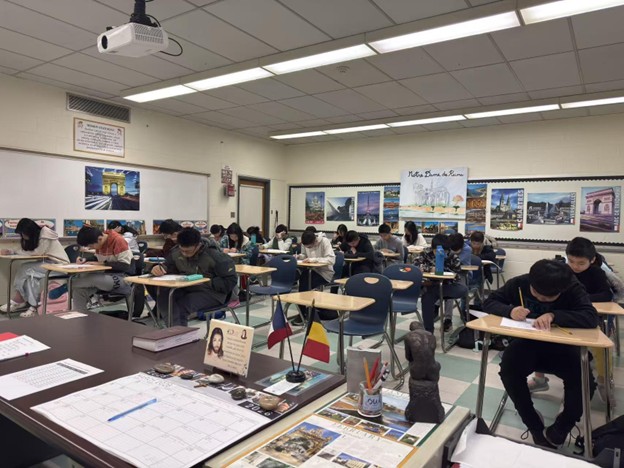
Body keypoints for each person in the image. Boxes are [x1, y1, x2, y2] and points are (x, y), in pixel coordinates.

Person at [483, 259, 599, 448]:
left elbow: (591, 317)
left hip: (564, 347)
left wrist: (554, 315)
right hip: (527, 344)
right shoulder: (519, 283)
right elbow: (489, 302)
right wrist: (510, 310)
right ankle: (533, 423)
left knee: (584, 380)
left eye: (548, 298)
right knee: (509, 369)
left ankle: (563, 426)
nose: (541, 300)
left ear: (562, 290)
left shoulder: (572, 287)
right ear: (531, 281)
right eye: (537, 294)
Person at [529, 238, 613, 394]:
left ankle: (603, 380)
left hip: (583, 317)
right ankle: (539, 379)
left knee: (602, 346)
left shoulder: (596, 273)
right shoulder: (562, 271)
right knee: (538, 340)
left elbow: (607, 295)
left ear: (592, 260)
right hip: (560, 317)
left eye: (581, 263)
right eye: (571, 261)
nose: (575, 266)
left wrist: (582, 298)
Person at [152, 228, 237, 326]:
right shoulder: (176, 252)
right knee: (164, 297)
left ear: (198, 245)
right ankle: (175, 330)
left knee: (181, 305)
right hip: (188, 288)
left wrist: (206, 282)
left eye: (188, 251)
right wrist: (159, 268)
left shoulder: (215, 256)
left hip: (212, 293)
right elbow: (169, 266)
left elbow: (230, 281)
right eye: (182, 250)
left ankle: (178, 332)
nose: (184, 254)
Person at [0, 219, 69, 317]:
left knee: (25, 268)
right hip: (49, 263)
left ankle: (18, 298)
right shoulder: (37, 236)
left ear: (29, 230)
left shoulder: (45, 233)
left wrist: (13, 251)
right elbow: (33, 252)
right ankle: (34, 306)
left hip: (59, 265)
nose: (23, 236)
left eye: (23, 233)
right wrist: (12, 251)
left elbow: (37, 252)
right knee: (30, 278)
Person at [71, 225, 134, 313]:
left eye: (91, 246)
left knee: (92, 278)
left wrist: (103, 263)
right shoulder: (100, 242)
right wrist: (86, 259)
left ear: (100, 239)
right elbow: (98, 258)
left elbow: (125, 266)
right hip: (105, 278)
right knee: (79, 291)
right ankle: (79, 317)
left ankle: (68, 285)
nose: (90, 248)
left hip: (124, 278)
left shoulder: (118, 241)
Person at [414, 233, 467, 333]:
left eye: (444, 251)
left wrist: (443, 268)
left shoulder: (452, 256)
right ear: (432, 248)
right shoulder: (426, 253)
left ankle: (446, 319)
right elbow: (416, 265)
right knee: (427, 298)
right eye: (436, 251)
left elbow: (457, 272)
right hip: (432, 286)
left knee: (463, 289)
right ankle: (429, 331)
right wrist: (430, 268)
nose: (440, 253)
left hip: (448, 286)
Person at [294, 230, 336, 324]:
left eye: (309, 247)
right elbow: (305, 255)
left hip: (325, 272)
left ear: (315, 241)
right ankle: (303, 310)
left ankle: (304, 312)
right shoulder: (306, 243)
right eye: (306, 247)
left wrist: (313, 260)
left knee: (305, 282)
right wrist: (300, 256)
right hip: (312, 270)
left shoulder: (324, 241)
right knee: (303, 278)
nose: (308, 248)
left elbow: (331, 260)